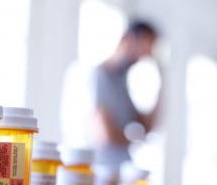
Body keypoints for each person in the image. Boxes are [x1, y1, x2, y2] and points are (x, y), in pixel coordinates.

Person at [61, 20, 162, 165]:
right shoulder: (98, 75)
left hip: (119, 172)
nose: (140, 58)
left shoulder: (120, 83)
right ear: (127, 39)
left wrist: (160, 78)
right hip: (100, 174)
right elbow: (106, 134)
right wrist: (134, 138)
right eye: (140, 51)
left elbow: (146, 126)